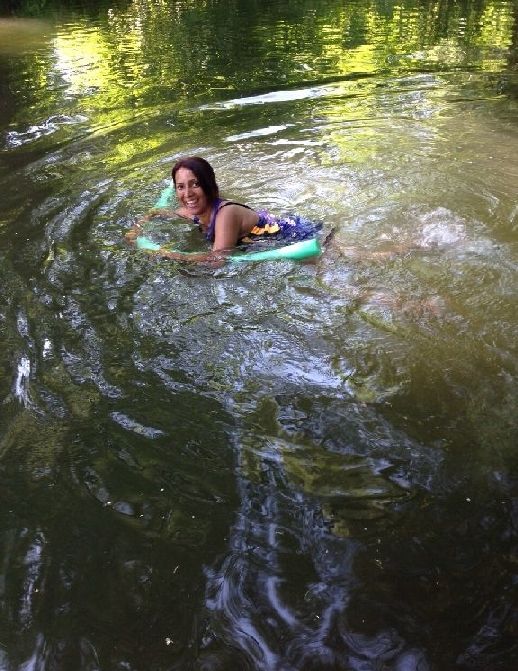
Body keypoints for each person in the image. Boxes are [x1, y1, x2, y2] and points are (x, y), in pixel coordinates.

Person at [125, 156, 321, 262]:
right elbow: (157, 213)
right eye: (180, 186)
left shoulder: (225, 214)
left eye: (195, 184)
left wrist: (162, 252)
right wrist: (136, 229)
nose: (188, 194)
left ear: (209, 185)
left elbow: (217, 261)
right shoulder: (192, 213)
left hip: (298, 236)